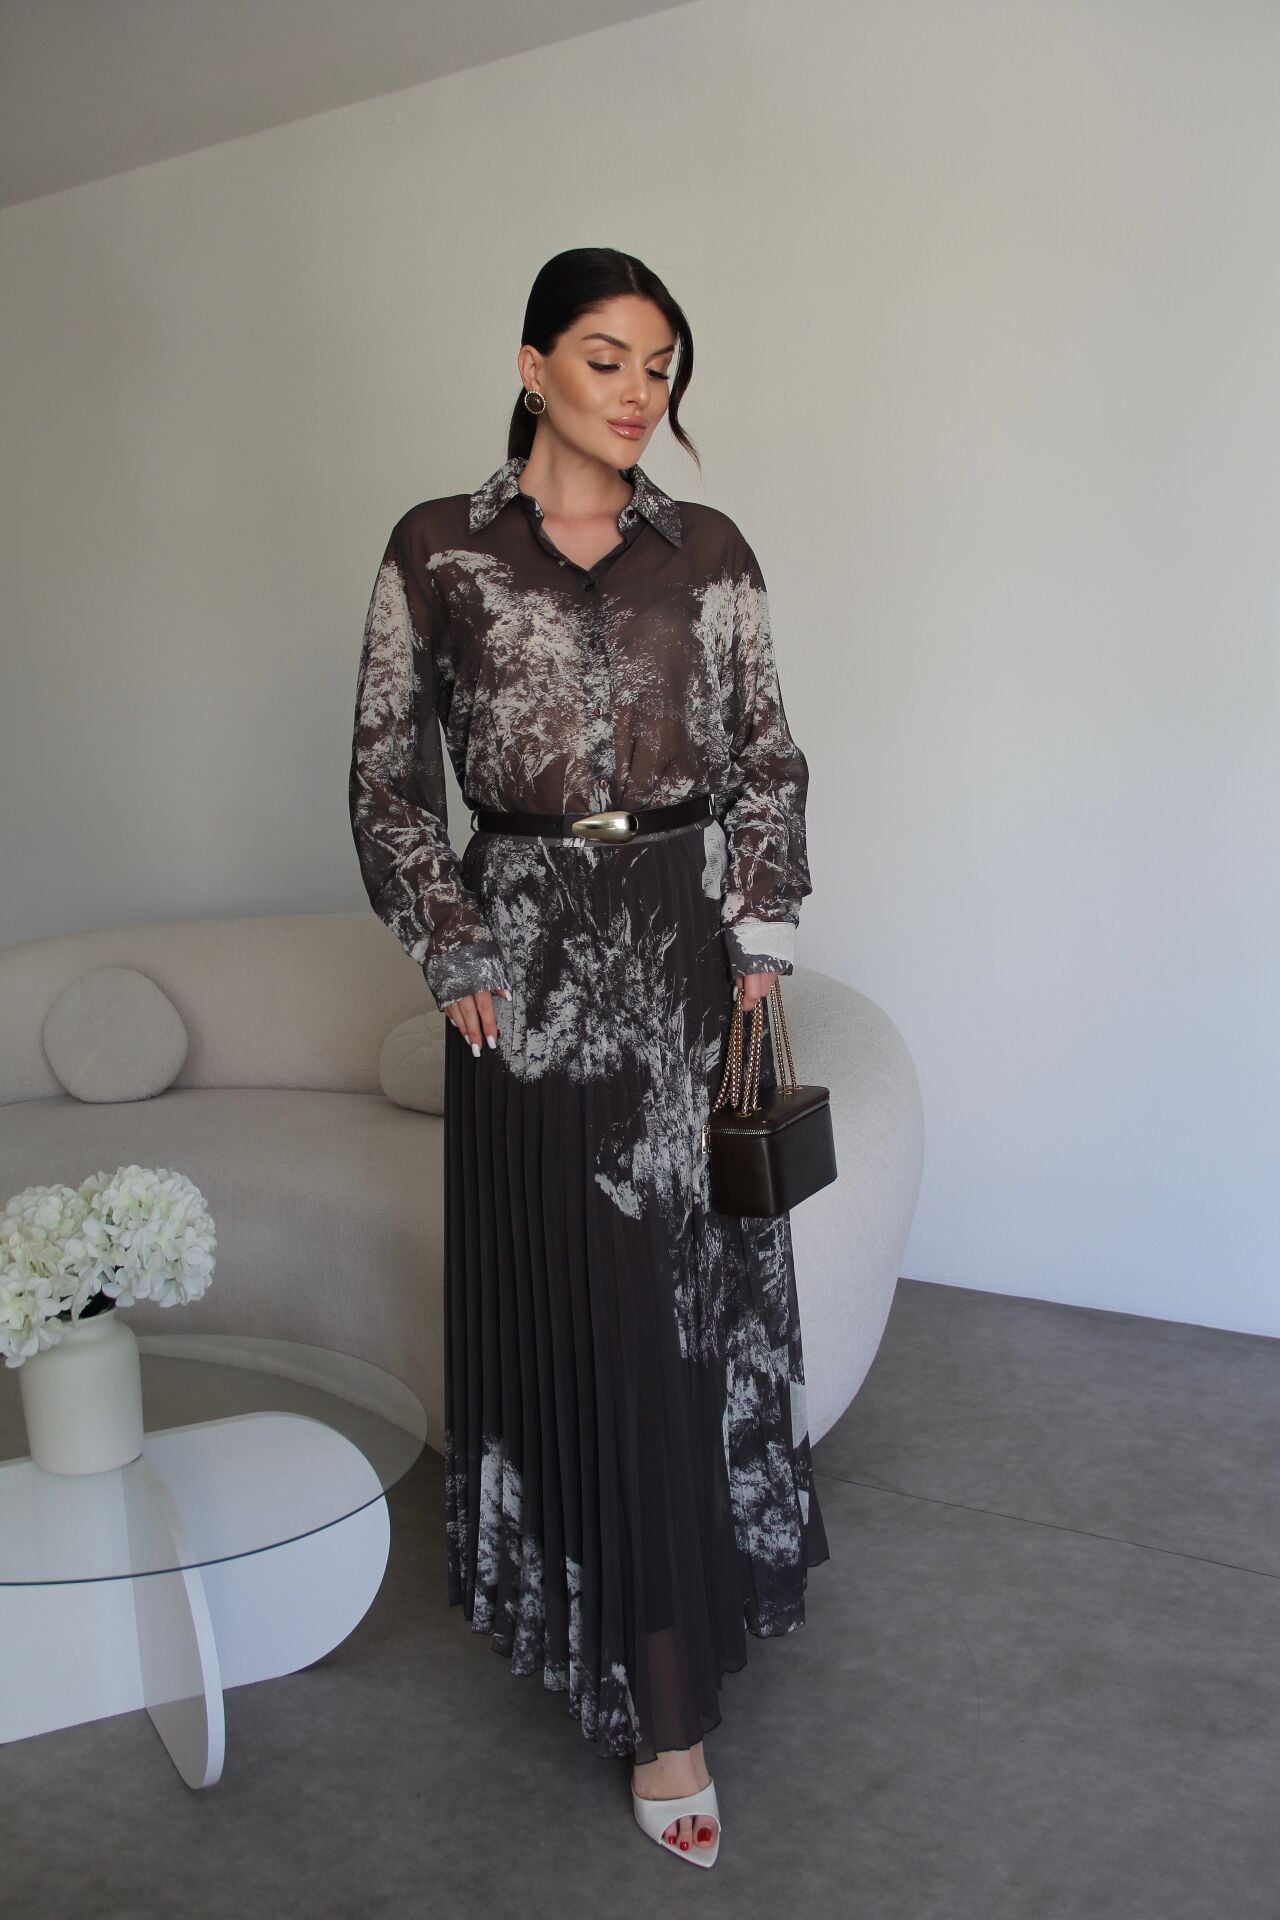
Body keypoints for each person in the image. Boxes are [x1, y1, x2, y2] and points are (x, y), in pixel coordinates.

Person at [348, 246, 829, 1868]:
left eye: (663, 365)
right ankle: (616, 1650)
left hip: (682, 947)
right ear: (535, 365)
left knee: (681, 1306)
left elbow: (766, 755)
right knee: (585, 1302)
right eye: (610, 357)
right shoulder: (439, 548)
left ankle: (673, 1670)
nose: (641, 391)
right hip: (526, 965)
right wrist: (455, 944)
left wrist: (759, 931)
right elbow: (387, 781)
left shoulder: (709, 550)